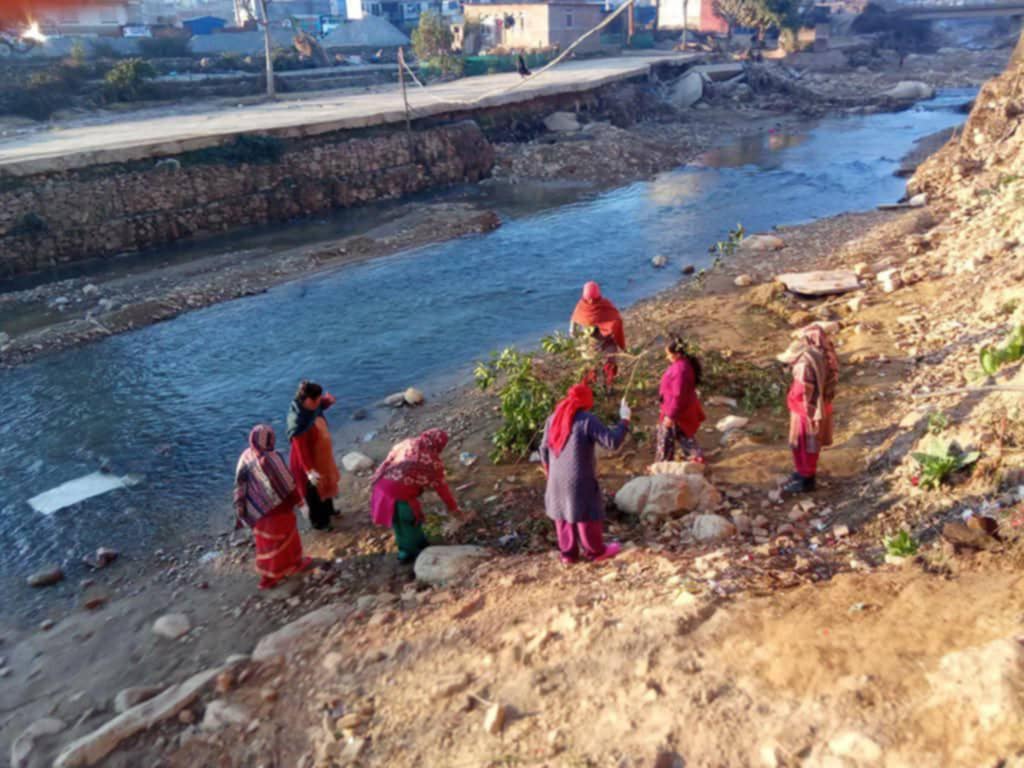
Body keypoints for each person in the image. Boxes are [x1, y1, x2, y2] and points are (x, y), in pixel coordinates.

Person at [539, 383, 631, 565]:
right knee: (585, 512)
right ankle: (595, 551)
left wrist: (550, 472)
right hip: (579, 478)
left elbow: (543, 449)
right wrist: (624, 419)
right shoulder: (587, 420)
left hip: (555, 479)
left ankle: (568, 555)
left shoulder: (553, 418)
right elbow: (612, 442)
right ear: (586, 400)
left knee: (562, 513)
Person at [370, 429, 469, 563]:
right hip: (401, 497)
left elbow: (388, 462)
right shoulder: (432, 462)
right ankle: (409, 555)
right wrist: (454, 509)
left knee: (398, 525)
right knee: (410, 524)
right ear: (439, 445)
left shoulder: (406, 443)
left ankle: (415, 545)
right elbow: (442, 490)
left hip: (381, 490)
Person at [233, 424, 312, 590]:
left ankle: (268, 577)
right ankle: (293, 565)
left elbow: (240, 484)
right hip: (277, 509)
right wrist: (301, 504)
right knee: (287, 539)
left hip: (257, 511)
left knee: (266, 544)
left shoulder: (245, 456)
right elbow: (287, 483)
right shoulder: (272, 458)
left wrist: (242, 511)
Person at [778, 325, 839, 494]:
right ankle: (803, 473)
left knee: (804, 444)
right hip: (823, 404)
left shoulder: (806, 363)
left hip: (807, 411)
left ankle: (806, 479)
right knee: (811, 444)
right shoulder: (827, 353)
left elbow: (802, 390)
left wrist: (790, 398)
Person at [287, 380, 340, 531]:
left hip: (320, 456)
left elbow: (321, 404)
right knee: (314, 492)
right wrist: (309, 470)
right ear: (308, 400)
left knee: (326, 482)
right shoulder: (298, 423)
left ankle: (329, 511)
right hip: (307, 462)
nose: (318, 402)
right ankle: (320, 523)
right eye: (316, 400)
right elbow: (301, 449)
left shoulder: (312, 407)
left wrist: (328, 401)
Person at [569, 281, 627, 392]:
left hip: (589, 347)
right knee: (610, 364)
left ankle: (592, 390)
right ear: (598, 293)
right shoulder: (605, 305)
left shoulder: (581, 307)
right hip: (606, 344)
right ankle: (608, 387)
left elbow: (572, 331)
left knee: (591, 367)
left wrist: (580, 340)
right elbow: (616, 319)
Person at [657, 336, 706, 463]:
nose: (667, 357)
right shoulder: (682, 365)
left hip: (676, 411)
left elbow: (678, 396)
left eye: (669, 354)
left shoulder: (680, 370)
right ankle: (696, 458)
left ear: (677, 354)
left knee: (666, 439)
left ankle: (663, 465)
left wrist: (670, 416)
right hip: (681, 409)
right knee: (683, 436)